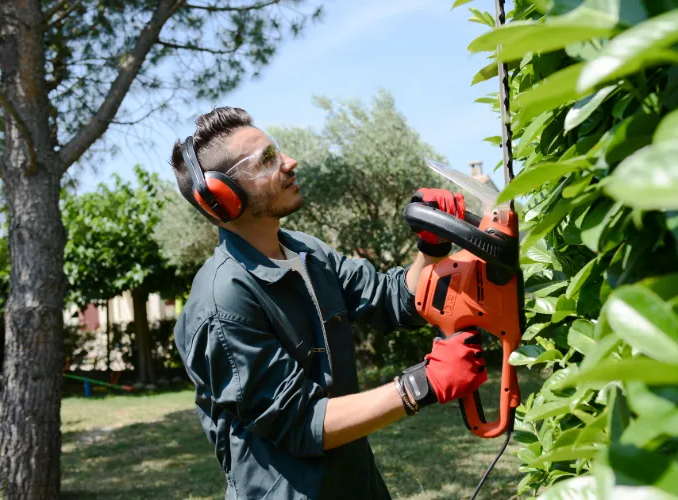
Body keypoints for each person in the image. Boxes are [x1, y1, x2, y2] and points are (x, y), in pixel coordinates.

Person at [170, 107, 487, 500]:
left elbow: (391, 298)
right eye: (267, 160)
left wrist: (431, 247)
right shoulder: (222, 302)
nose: (289, 162)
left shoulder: (307, 252)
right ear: (223, 197)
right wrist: (420, 384)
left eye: (278, 151)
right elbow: (301, 422)